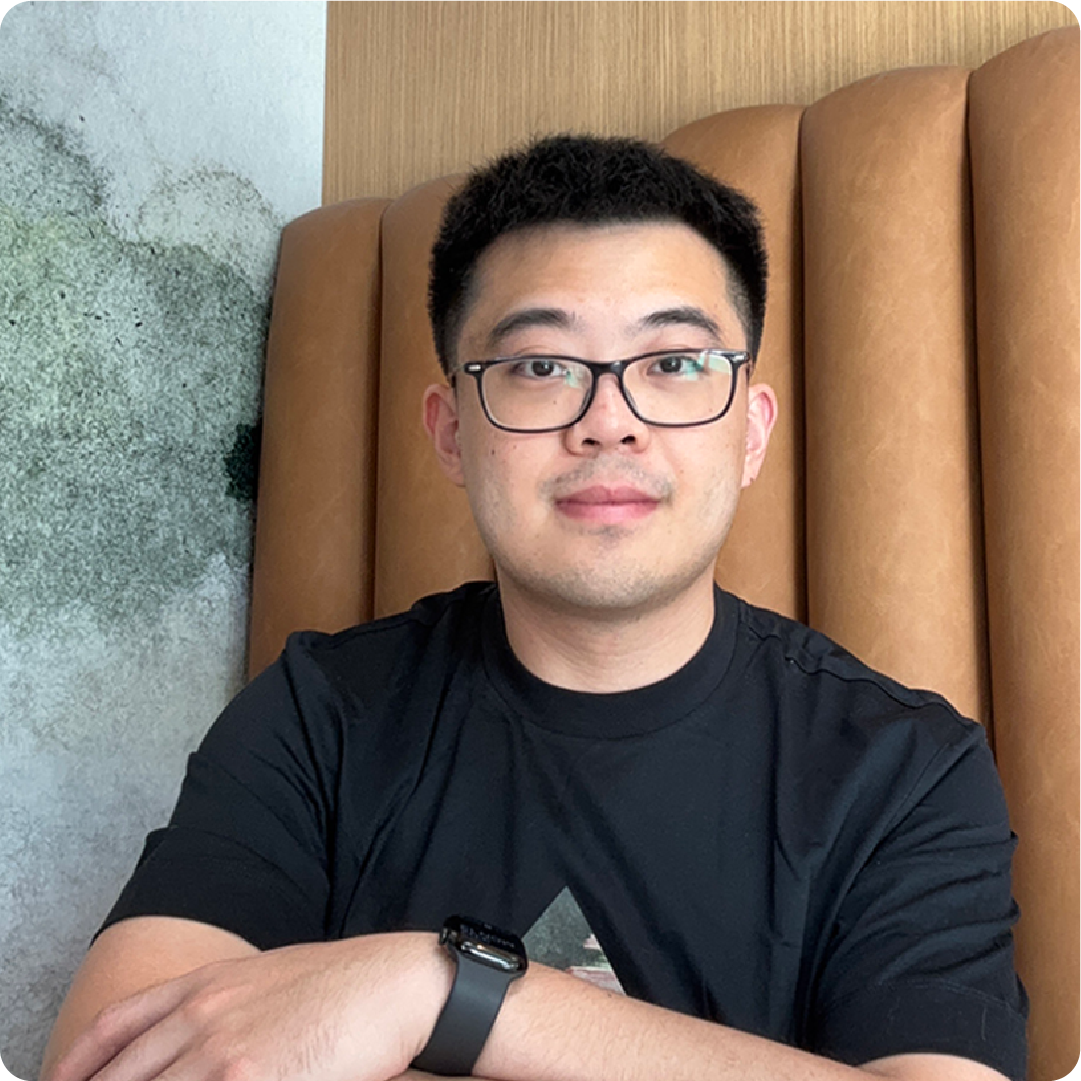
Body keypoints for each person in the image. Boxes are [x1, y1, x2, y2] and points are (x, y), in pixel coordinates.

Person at [42, 134, 1028, 1081]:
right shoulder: (317, 716)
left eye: (674, 363)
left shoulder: (906, 771)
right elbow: (113, 1056)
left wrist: (445, 992)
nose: (609, 423)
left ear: (751, 431)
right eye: (540, 366)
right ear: (450, 432)